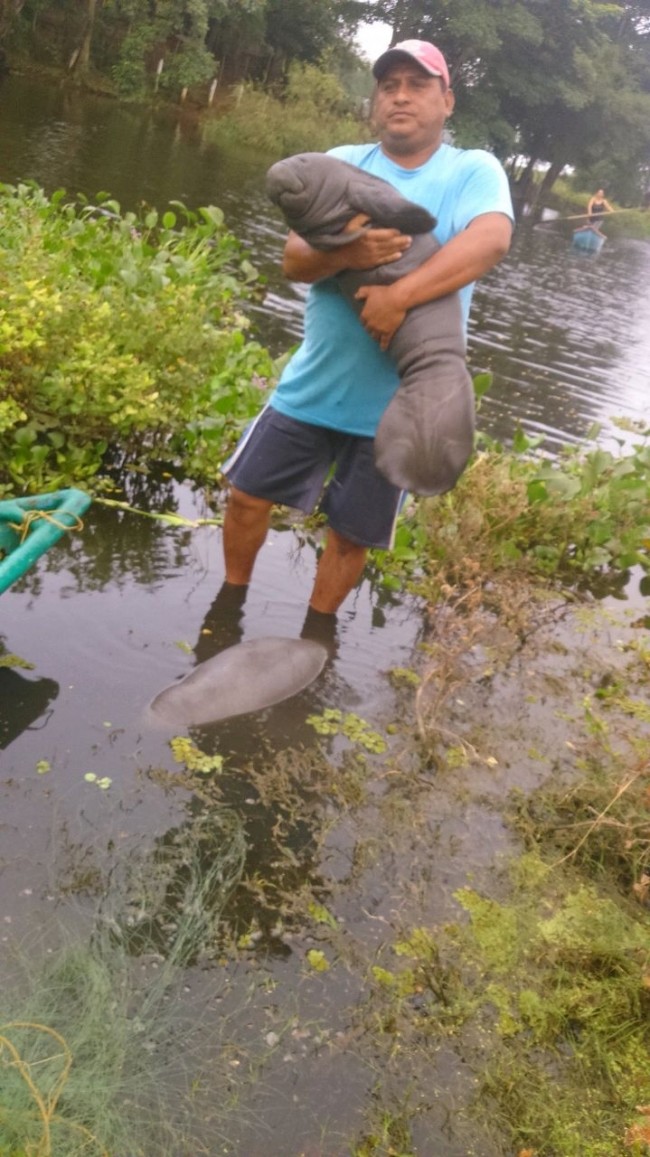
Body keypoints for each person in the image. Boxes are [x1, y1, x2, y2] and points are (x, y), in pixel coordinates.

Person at [221, 39, 514, 626]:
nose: (400, 96)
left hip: (396, 402)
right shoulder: (343, 160)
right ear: (375, 99)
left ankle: (315, 634)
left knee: (351, 535)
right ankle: (227, 608)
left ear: (446, 100)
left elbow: (490, 241)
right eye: (389, 85)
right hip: (316, 381)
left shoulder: (471, 170)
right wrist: (350, 251)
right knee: (246, 496)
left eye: (417, 85)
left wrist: (399, 297)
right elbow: (295, 261)